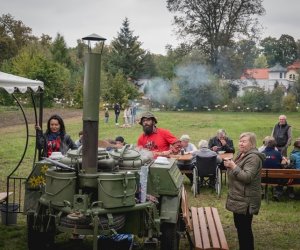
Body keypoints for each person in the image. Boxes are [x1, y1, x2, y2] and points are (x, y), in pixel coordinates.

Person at [224, 132, 265, 250]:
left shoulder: (253, 158)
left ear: (251, 143)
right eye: (240, 141)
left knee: (244, 230)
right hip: (239, 198)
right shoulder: (242, 154)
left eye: (244, 141)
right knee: (240, 228)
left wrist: (233, 166)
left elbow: (247, 177)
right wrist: (231, 165)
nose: (241, 143)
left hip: (246, 200)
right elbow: (238, 172)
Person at [261, 137, 286, 201]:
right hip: (276, 179)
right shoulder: (278, 153)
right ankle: (277, 193)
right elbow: (281, 162)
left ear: (265, 145)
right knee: (283, 175)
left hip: (262, 179)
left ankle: (261, 191)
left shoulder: (261, 153)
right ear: (275, 145)